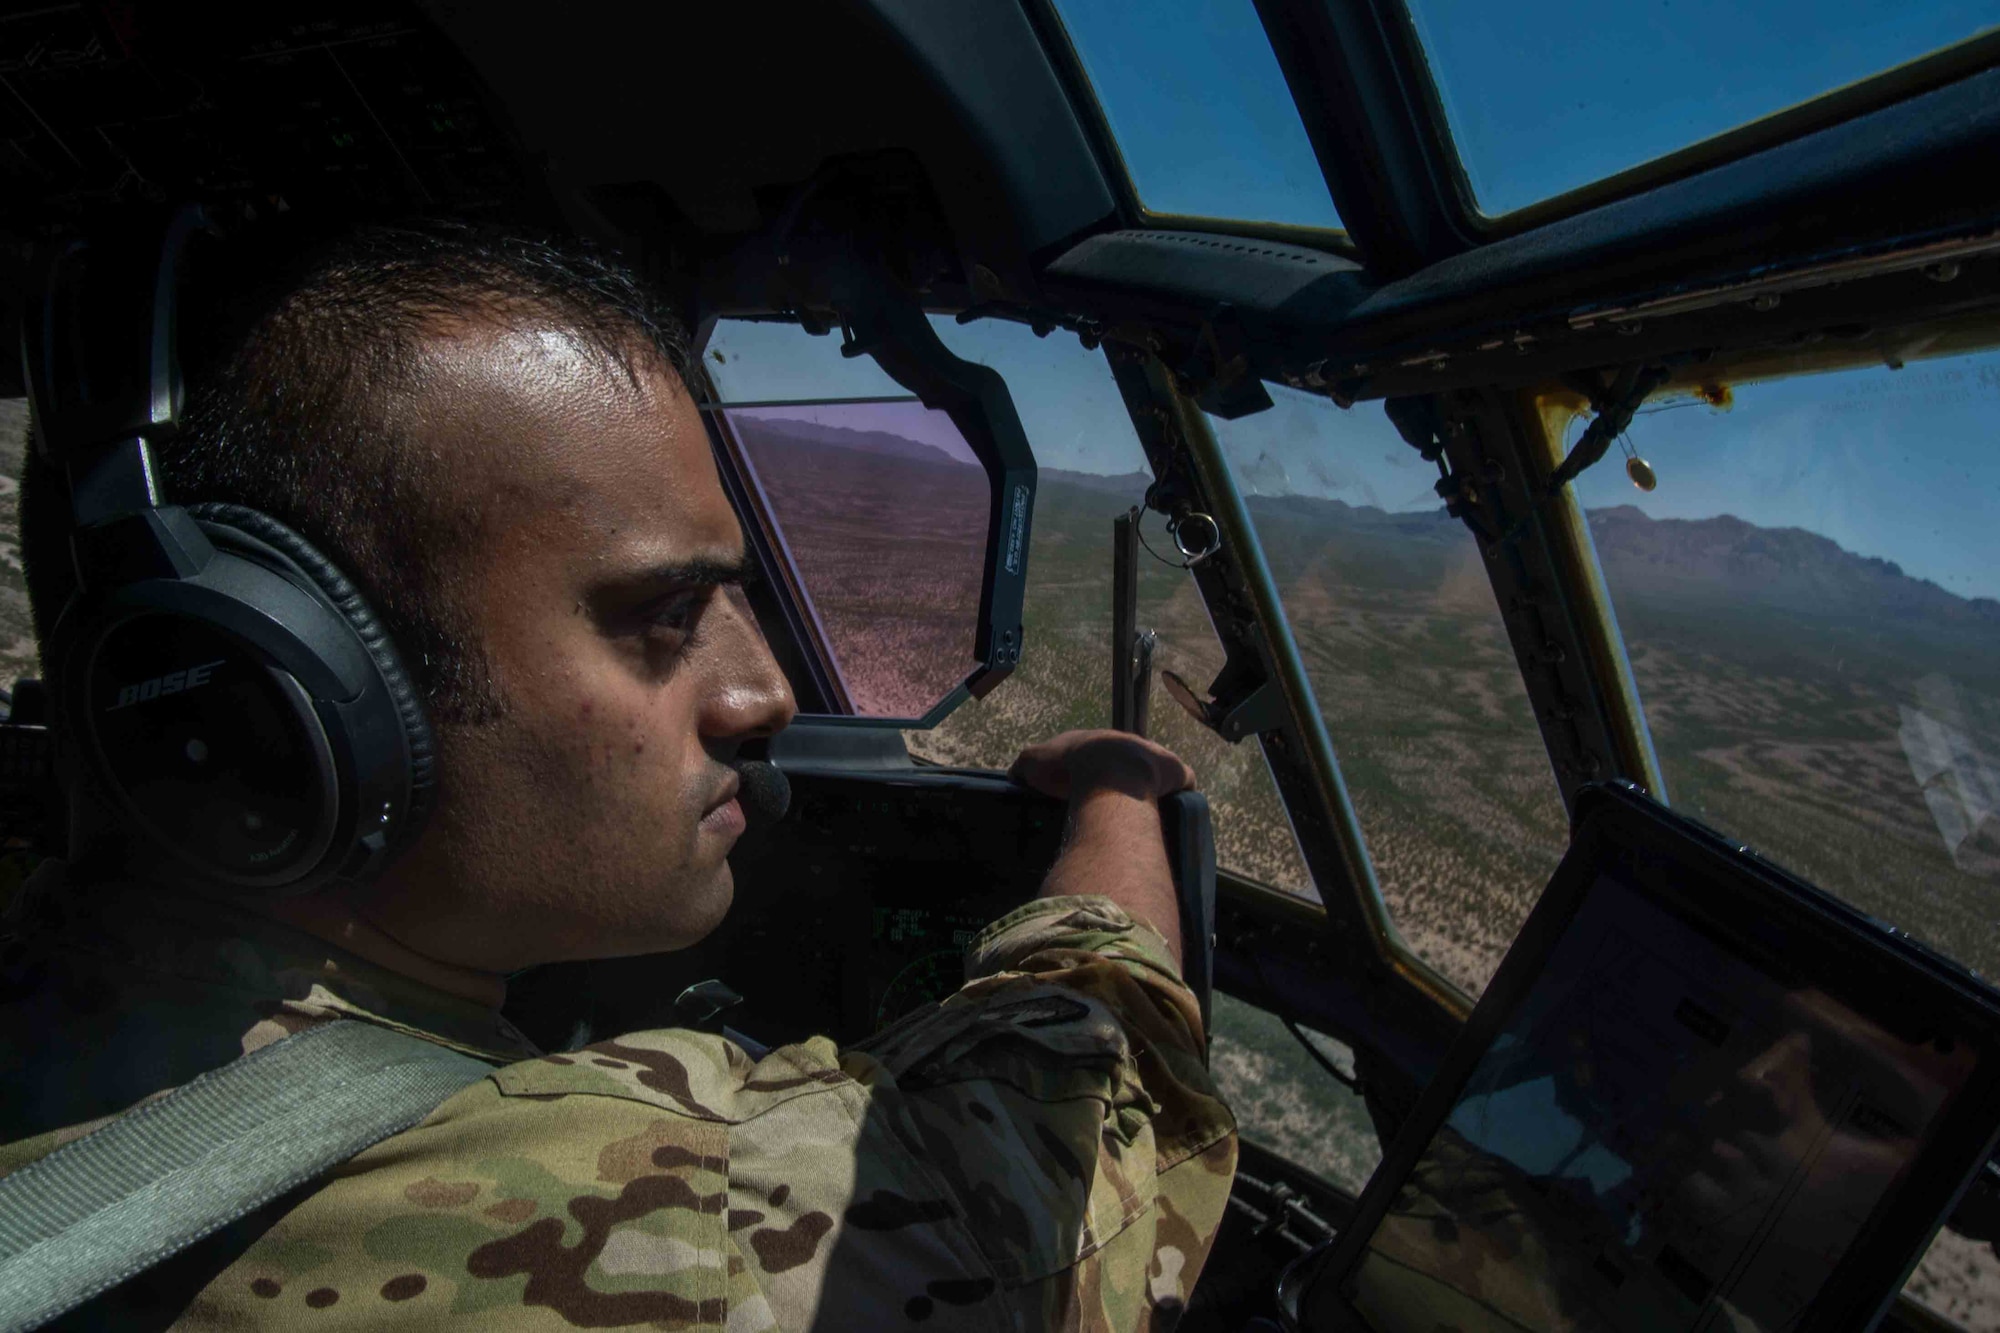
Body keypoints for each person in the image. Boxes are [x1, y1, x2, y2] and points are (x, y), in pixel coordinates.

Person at [0, 221, 1235, 1329]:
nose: (766, 694)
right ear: (284, 679)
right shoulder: (683, 1220)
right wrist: (1118, 793)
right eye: (666, 608)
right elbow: (1080, 1136)